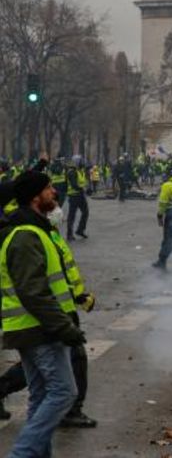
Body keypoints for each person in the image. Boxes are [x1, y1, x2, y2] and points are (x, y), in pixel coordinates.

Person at [0, 171, 86, 457]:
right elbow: (33, 291)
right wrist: (64, 327)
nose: (54, 192)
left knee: (40, 397)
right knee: (64, 393)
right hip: (39, 329)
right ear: (35, 196)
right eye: (49, 188)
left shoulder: (36, 229)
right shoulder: (26, 235)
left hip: (32, 328)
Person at [65, 156, 90, 242]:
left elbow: (82, 182)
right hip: (74, 196)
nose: (83, 163)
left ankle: (80, 230)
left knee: (85, 212)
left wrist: (87, 188)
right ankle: (69, 234)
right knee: (71, 216)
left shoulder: (80, 171)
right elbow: (74, 185)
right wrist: (83, 189)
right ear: (77, 162)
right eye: (81, 161)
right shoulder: (72, 172)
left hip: (80, 195)